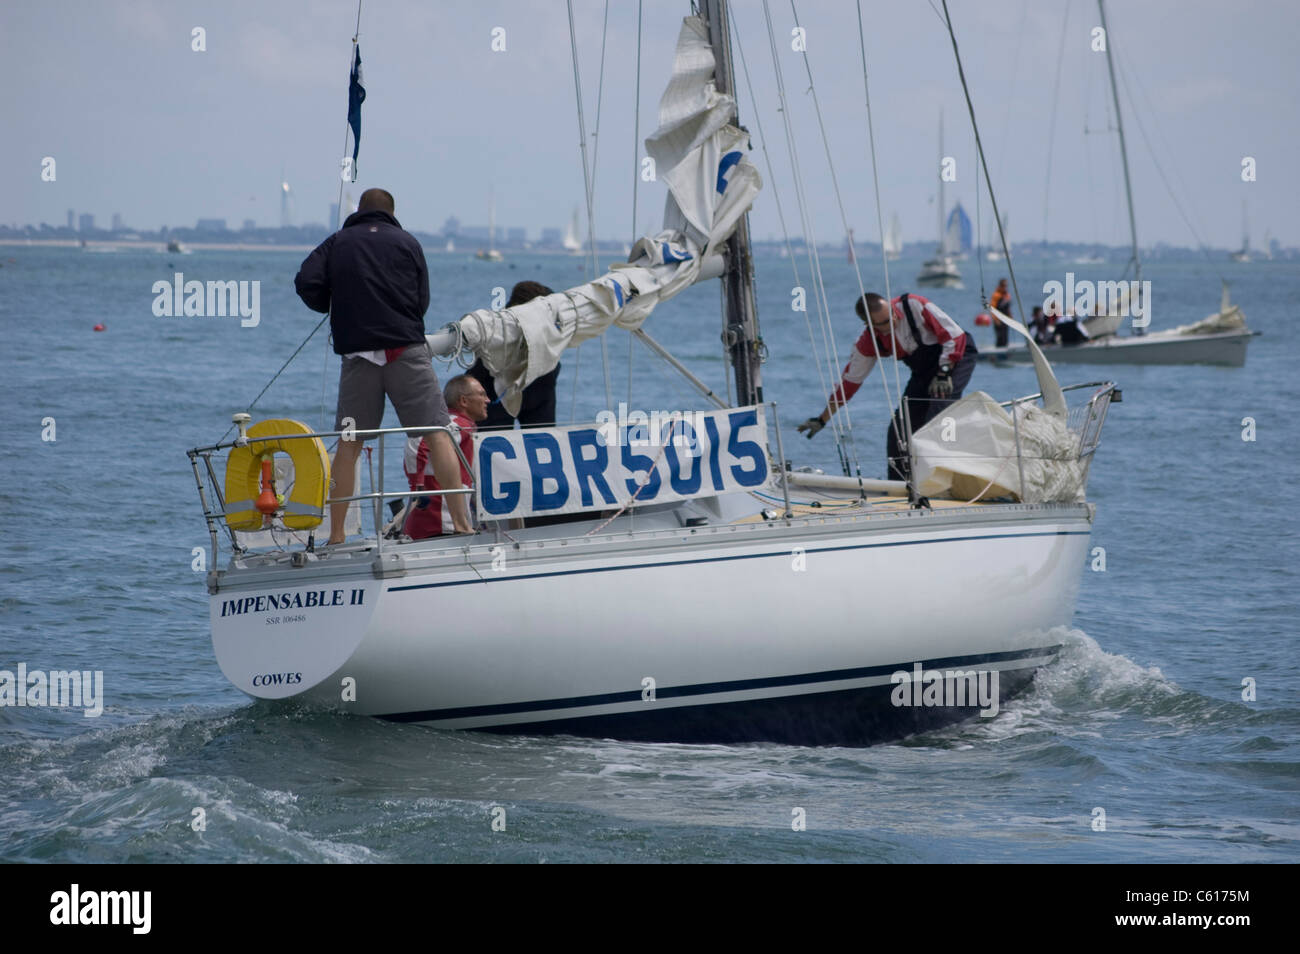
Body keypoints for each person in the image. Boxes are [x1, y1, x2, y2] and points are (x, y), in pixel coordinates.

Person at [294, 187, 472, 542]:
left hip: (359, 354)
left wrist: (332, 305)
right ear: (391, 212)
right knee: (437, 432)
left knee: (349, 442)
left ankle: (338, 534)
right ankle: (464, 525)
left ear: (359, 210)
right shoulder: (407, 242)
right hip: (405, 348)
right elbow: (422, 298)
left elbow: (305, 282)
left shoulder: (338, 241)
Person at [798, 292, 977, 482]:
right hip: (924, 372)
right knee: (899, 430)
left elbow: (954, 335)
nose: (893, 320)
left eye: (891, 314)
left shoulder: (913, 305)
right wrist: (822, 419)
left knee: (937, 414)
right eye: (884, 322)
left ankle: (944, 482)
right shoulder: (868, 342)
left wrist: (943, 372)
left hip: (956, 356)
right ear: (870, 325)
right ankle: (900, 486)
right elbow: (849, 383)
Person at [404, 374, 489, 539]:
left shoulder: (455, 424)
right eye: (482, 394)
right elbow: (421, 441)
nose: (488, 400)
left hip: (435, 523)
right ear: (463, 401)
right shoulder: (458, 425)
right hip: (440, 525)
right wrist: (418, 484)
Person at [467, 281, 560, 429]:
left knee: (497, 437)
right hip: (499, 382)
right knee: (539, 435)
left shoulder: (495, 339)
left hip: (528, 377)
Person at [989, 278, 1011, 348]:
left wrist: (1011, 317)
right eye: (1004, 286)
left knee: (1005, 337)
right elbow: (992, 308)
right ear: (1000, 286)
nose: (1005, 287)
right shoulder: (996, 295)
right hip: (998, 320)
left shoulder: (1007, 295)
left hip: (1006, 319)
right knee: (1000, 338)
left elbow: (1008, 308)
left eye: (1006, 286)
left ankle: (1006, 351)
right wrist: (996, 320)